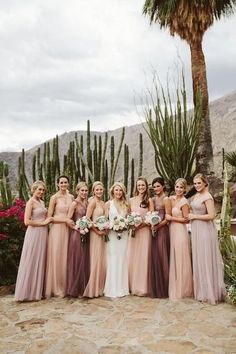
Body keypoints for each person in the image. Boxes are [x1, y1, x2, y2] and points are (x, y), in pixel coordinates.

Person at [188, 173, 225, 304]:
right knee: (199, 258)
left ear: (205, 183)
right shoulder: (196, 195)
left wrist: (194, 217)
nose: (197, 185)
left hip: (205, 230)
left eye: (199, 183)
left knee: (205, 258)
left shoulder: (207, 196)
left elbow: (212, 215)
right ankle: (202, 291)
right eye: (195, 183)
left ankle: (210, 292)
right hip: (197, 229)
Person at [15, 181, 52, 301]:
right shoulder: (30, 202)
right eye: (39, 189)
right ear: (34, 189)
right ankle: (26, 292)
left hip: (43, 234)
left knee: (40, 259)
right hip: (34, 233)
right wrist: (43, 223)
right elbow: (27, 221)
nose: (41, 192)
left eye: (43, 190)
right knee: (31, 259)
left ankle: (37, 291)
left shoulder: (41, 202)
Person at [45, 175, 74, 298]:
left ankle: (67, 286)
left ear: (68, 183)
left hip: (68, 230)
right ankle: (56, 287)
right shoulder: (54, 197)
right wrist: (65, 221)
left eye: (65, 182)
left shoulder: (71, 196)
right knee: (57, 257)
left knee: (66, 257)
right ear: (58, 184)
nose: (63, 184)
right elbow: (50, 218)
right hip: (57, 230)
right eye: (61, 182)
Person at [166, 178, 193, 300]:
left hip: (180, 231)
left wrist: (172, 218)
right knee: (174, 257)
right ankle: (174, 282)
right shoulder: (172, 199)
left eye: (181, 188)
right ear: (174, 187)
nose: (179, 189)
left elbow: (186, 219)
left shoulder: (184, 202)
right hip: (172, 230)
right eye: (177, 187)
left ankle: (182, 287)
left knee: (180, 257)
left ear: (185, 189)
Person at [127, 176, 154, 296]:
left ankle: (142, 287)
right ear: (136, 187)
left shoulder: (149, 200)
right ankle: (131, 285)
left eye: (143, 185)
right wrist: (132, 224)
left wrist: (141, 224)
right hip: (133, 232)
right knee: (132, 257)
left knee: (143, 258)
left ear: (146, 187)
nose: (141, 187)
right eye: (139, 185)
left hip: (144, 232)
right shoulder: (131, 200)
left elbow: (152, 218)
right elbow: (128, 216)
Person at [104, 182, 129, 298]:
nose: (118, 192)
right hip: (112, 236)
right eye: (116, 190)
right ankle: (112, 289)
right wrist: (111, 225)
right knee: (113, 259)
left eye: (120, 190)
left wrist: (125, 225)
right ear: (112, 191)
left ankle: (122, 288)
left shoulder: (126, 204)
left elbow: (129, 220)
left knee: (123, 258)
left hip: (123, 235)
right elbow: (105, 221)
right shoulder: (108, 204)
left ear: (123, 192)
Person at [148, 177, 171, 298]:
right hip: (154, 230)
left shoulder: (166, 199)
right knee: (155, 256)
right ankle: (156, 287)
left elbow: (168, 218)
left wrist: (158, 226)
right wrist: (152, 224)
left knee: (163, 256)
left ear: (163, 186)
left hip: (162, 230)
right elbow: (151, 214)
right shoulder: (152, 199)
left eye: (158, 186)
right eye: (154, 186)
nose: (156, 188)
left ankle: (165, 288)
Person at [83, 181, 107, 298]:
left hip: (102, 234)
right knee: (95, 258)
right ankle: (93, 288)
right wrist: (97, 231)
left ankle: (100, 287)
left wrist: (105, 228)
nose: (99, 192)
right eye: (97, 190)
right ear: (93, 191)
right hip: (95, 234)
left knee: (101, 259)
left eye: (101, 190)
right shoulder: (92, 203)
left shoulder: (103, 203)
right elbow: (87, 220)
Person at [67, 182, 89, 297]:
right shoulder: (74, 204)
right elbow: (68, 220)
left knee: (85, 260)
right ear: (77, 191)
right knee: (77, 259)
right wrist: (78, 229)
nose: (84, 193)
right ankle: (76, 288)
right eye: (82, 191)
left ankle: (84, 286)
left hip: (86, 234)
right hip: (77, 234)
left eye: (86, 190)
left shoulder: (87, 202)